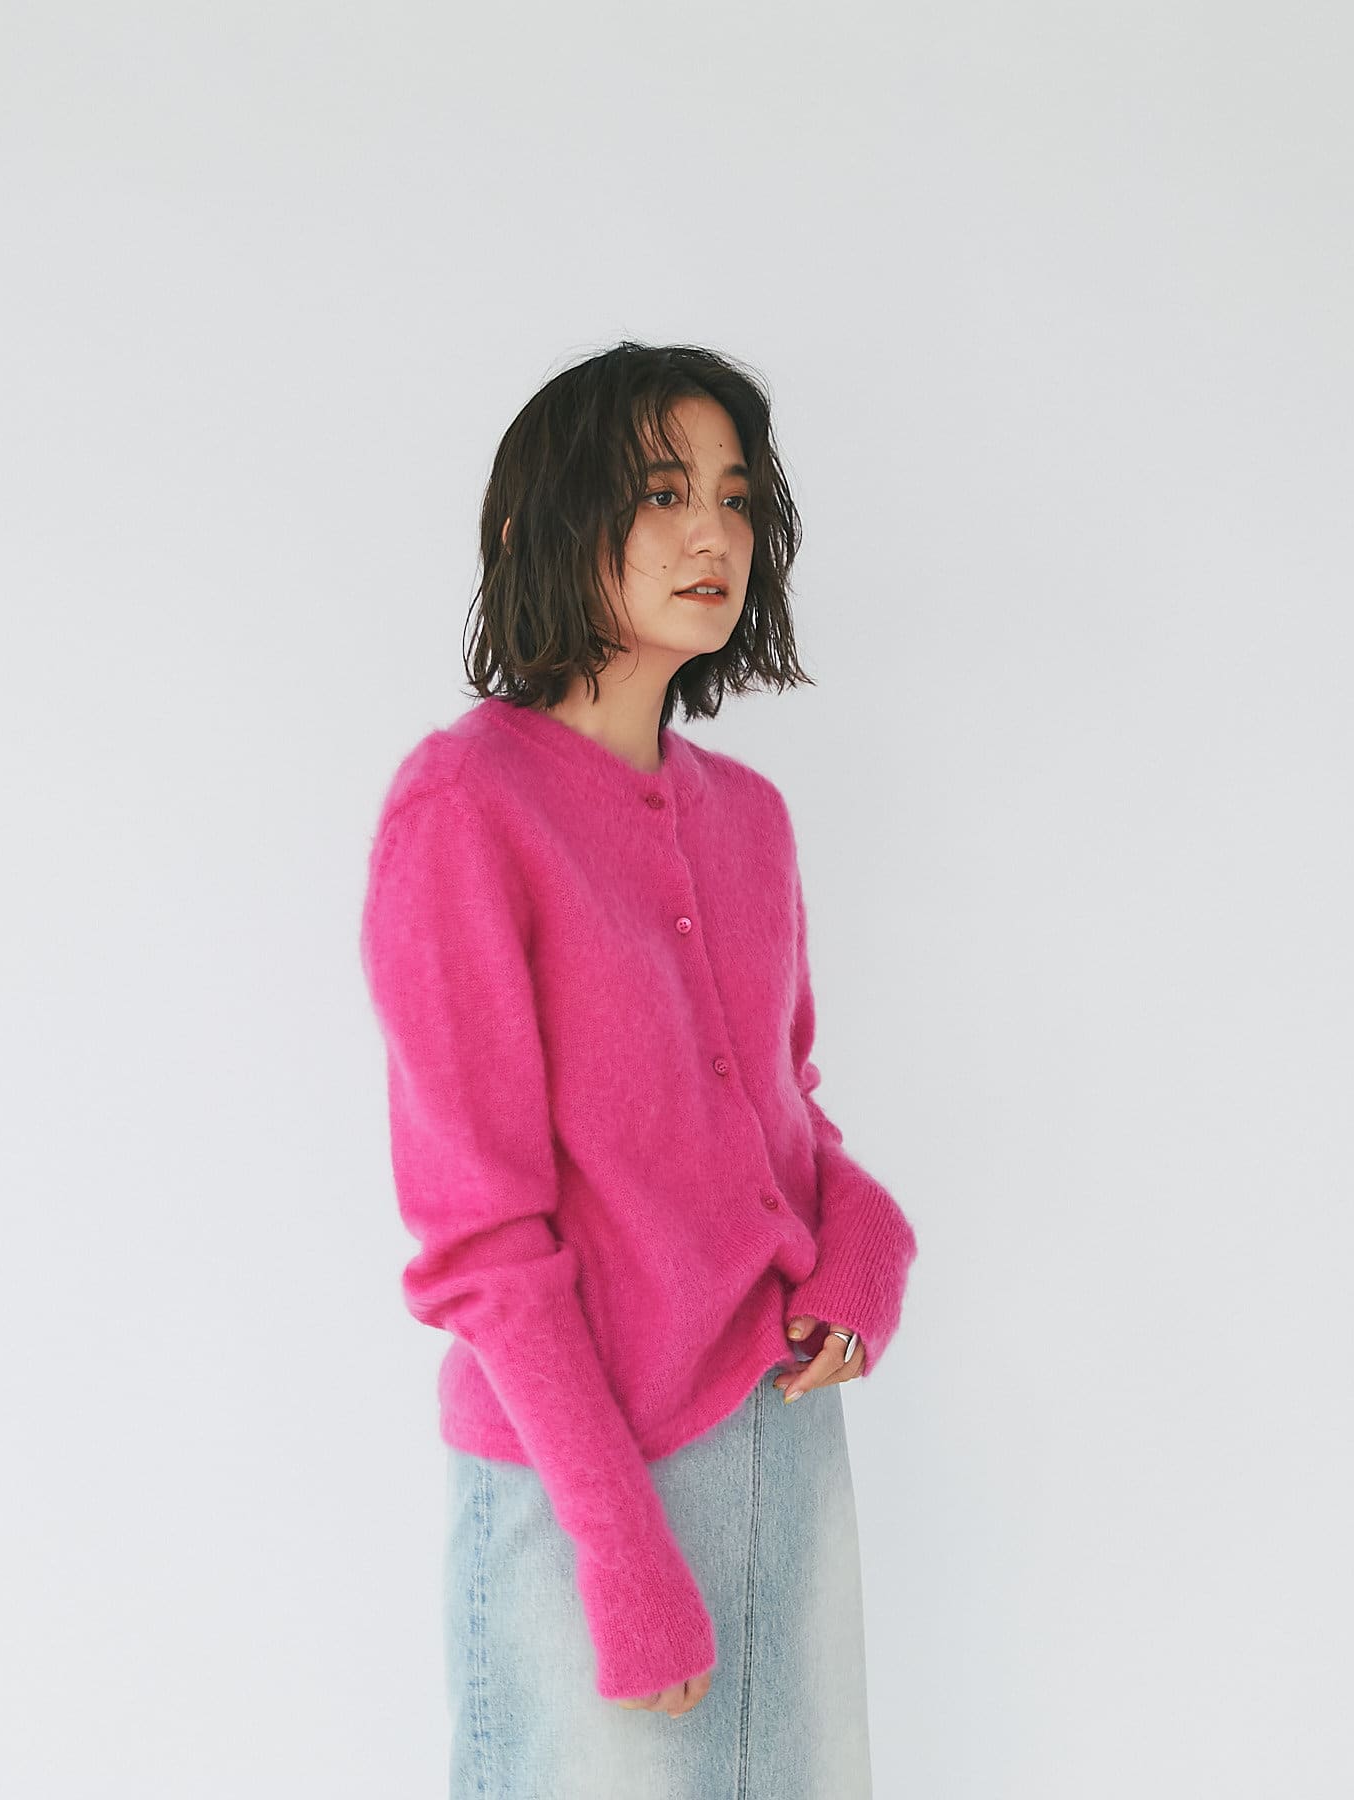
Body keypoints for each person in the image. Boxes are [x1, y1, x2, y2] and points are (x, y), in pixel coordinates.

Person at [358, 341, 919, 1798]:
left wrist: (866, 1246)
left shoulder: (752, 820)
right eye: (663, 492)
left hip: (783, 1451)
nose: (711, 533)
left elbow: (785, 1115)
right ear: (538, 524)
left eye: (734, 497)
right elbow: (481, 1239)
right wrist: (621, 1554)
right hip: (584, 1485)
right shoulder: (465, 811)